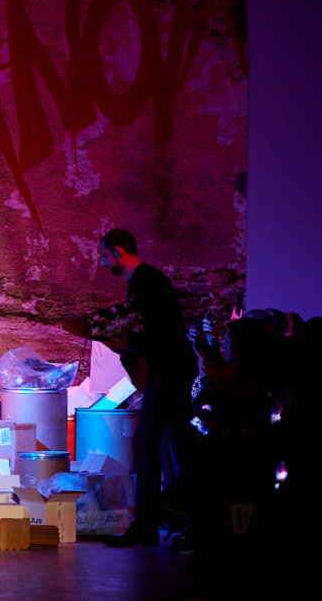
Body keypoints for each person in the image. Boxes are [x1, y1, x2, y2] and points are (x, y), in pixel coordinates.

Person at [97, 229, 197, 546]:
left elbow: (151, 330)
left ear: (118, 251)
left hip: (169, 368)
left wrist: (120, 339)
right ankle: (190, 515)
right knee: (179, 441)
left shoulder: (145, 281)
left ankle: (148, 524)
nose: (103, 263)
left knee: (146, 440)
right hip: (172, 367)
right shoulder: (145, 281)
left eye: (104, 255)